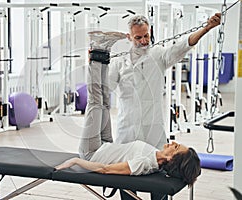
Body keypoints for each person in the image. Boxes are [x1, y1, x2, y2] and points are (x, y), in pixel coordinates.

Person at [55, 31, 201, 197]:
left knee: (96, 101)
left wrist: (75, 161)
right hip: (107, 145)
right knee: (104, 102)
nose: (173, 142)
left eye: (175, 147)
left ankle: (96, 48)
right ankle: (102, 49)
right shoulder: (155, 156)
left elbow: (105, 169)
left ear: (170, 159)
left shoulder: (144, 163)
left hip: (92, 152)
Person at [109, 13, 222, 149]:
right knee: (125, 163)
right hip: (127, 125)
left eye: (146, 36)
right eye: (138, 38)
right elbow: (107, 86)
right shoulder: (119, 61)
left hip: (153, 124)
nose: (144, 41)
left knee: (158, 162)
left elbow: (182, 46)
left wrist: (206, 29)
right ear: (129, 37)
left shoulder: (158, 54)